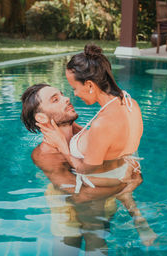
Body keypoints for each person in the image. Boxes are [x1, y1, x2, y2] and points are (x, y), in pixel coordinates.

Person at [21, 84, 157, 254]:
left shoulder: (84, 136)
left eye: (62, 94)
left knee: (98, 245)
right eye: (55, 99)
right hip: (67, 209)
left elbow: (122, 159)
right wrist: (126, 184)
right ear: (41, 118)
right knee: (66, 255)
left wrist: (131, 176)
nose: (67, 98)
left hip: (101, 202)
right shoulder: (45, 155)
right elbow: (79, 196)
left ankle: (138, 220)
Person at [37, 44, 143, 194]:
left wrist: (63, 148)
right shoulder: (131, 104)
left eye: (74, 88)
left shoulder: (102, 124)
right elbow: (107, 140)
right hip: (128, 168)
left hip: (107, 181)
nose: (74, 94)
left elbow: (85, 170)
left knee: (53, 192)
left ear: (89, 85)